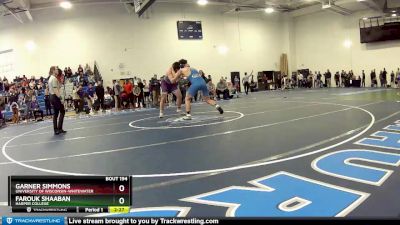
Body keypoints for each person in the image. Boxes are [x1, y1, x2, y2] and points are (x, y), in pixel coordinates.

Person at [49, 66, 66, 135]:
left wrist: (61, 82)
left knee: (56, 113)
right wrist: (60, 98)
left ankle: (56, 129)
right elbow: (55, 90)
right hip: (55, 96)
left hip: (52, 96)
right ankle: (59, 128)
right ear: (53, 70)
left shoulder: (51, 78)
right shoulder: (53, 79)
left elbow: (57, 87)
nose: (57, 70)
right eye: (56, 69)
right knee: (62, 111)